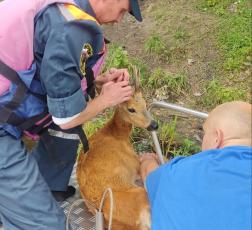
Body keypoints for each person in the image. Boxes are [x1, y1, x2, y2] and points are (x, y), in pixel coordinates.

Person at [0, 0, 142, 229]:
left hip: (8, 116)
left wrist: (97, 81)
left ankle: (32, 198)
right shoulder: (71, 27)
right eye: (123, 11)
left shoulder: (63, 13)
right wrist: (107, 100)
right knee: (48, 225)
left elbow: (53, 78)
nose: (119, 20)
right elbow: (66, 119)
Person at [139, 101, 252, 230]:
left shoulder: (176, 172)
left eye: (205, 133)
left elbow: (149, 175)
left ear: (217, 138)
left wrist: (148, 159)